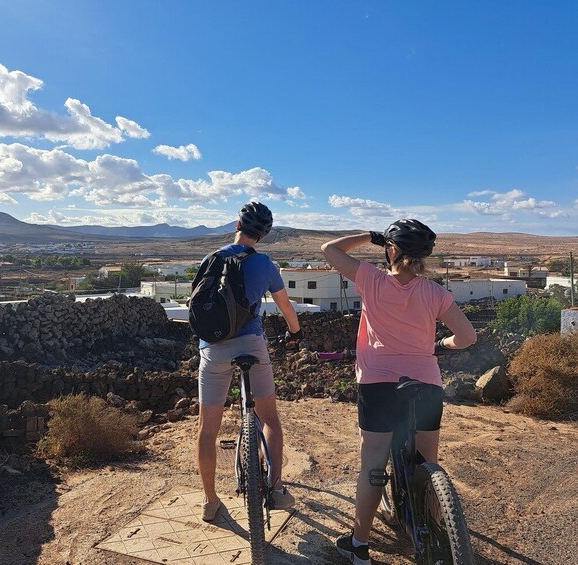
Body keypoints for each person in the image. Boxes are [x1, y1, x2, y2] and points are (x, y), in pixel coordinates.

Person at [321, 219, 477, 565]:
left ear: (390, 250)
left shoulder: (371, 279)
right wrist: (441, 344)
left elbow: (328, 250)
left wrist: (369, 236)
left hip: (378, 383)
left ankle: (359, 545)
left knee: (373, 464)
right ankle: (437, 529)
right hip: (425, 383)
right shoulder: (435, 292)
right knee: (428, 462)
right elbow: (468, 338)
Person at [195, 201, 303, 521]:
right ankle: (276, 489)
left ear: (237, 224)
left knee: (207, 429)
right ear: (264, 235)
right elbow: (286, 308)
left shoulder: (210, 258)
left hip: (212, 348)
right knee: (269, 418)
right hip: (252, 345)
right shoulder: (267, 264)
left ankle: (211, 501)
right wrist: (296, 333)